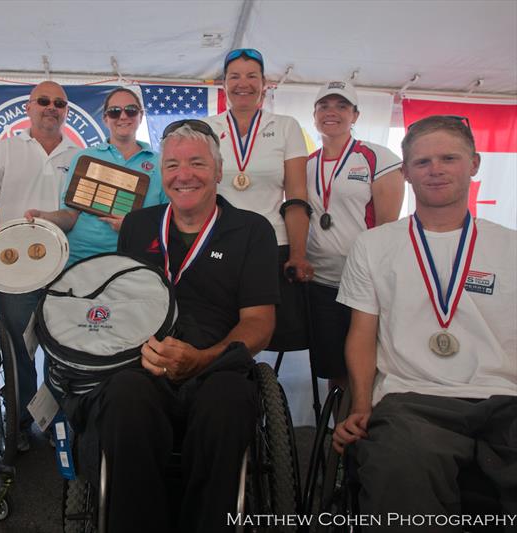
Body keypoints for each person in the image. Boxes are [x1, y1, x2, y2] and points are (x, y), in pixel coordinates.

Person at [95, 120, 279, 532]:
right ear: (162, 174)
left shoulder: (252, 231)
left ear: (218, 171)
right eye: (172, 164)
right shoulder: (139, 225)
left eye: (197, 163)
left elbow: (259, 323)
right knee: (121, 399)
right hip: (145, 363)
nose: (183, 175)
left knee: (229, 405)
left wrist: (202, 360)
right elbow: (121, 305)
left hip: (218, 365)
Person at [333, 115, 516, 524]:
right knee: (397, 473)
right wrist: (361, 406)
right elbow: (361, 335)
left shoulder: (510, 246)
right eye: (422, 162)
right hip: (410, 401)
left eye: (448, 158)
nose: (435, 170)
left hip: (505, 398)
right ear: (406, 173)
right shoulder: (374, 245)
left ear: (474, 163)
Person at [0, 81, 79, 451]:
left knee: (62, 346)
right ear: (29, 107)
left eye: (59, 103)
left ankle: (53, 420)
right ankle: (19, 419)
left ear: (66, 110)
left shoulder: (79, 155)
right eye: (44, 101)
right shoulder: (4, 150)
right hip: (13, 272)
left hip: (64, 268)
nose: (51, 107)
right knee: (19, 349)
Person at [203, 48, 312, 352]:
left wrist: (299, 254)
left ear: (265, 83)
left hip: (272, 244)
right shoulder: (207, 127)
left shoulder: (286, 126)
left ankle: (264, 393)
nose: (243, 83)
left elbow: (297, 199)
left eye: (252, 76)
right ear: (223, 83)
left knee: (266, 332)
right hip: (218, 241)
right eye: (235, 76)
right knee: (218, 328)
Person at [305, 81, 404, 391]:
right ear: (314, 114)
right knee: (335, 368)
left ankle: (368, 430)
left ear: (356, 115)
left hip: (364, 285)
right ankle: (338, 432)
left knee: (367, 366)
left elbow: (388, 228)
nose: (331, 112)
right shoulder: (305, 165)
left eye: (342, 106)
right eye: (324, 106)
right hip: (321, 282)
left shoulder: (379, 157)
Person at [25, 87, 166, 265]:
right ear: (105, 119)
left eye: (130, 110)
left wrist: (132, 228)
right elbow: (70, 214)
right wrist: (45, 217)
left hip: (135, 262)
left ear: (141, 115)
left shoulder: (161, 163)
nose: (123, 117)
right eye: (114, 112)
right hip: (81, 259)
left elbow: (167, 221)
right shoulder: (85, 158)